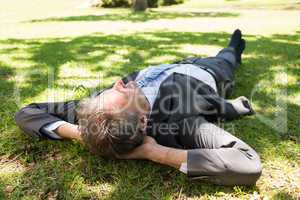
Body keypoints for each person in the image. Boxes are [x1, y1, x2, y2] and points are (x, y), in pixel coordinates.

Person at [15, 29, 262, 186]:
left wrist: (84, 134)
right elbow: (247, 163)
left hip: (176, 64)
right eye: (121, 93)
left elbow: (26, 112)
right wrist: (156, 153)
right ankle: (234, 47)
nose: (118, 83)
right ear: (144, 121)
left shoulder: (97, 112)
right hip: (211, 71)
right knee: (229, 54)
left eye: (109, 91)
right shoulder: (181, 123)